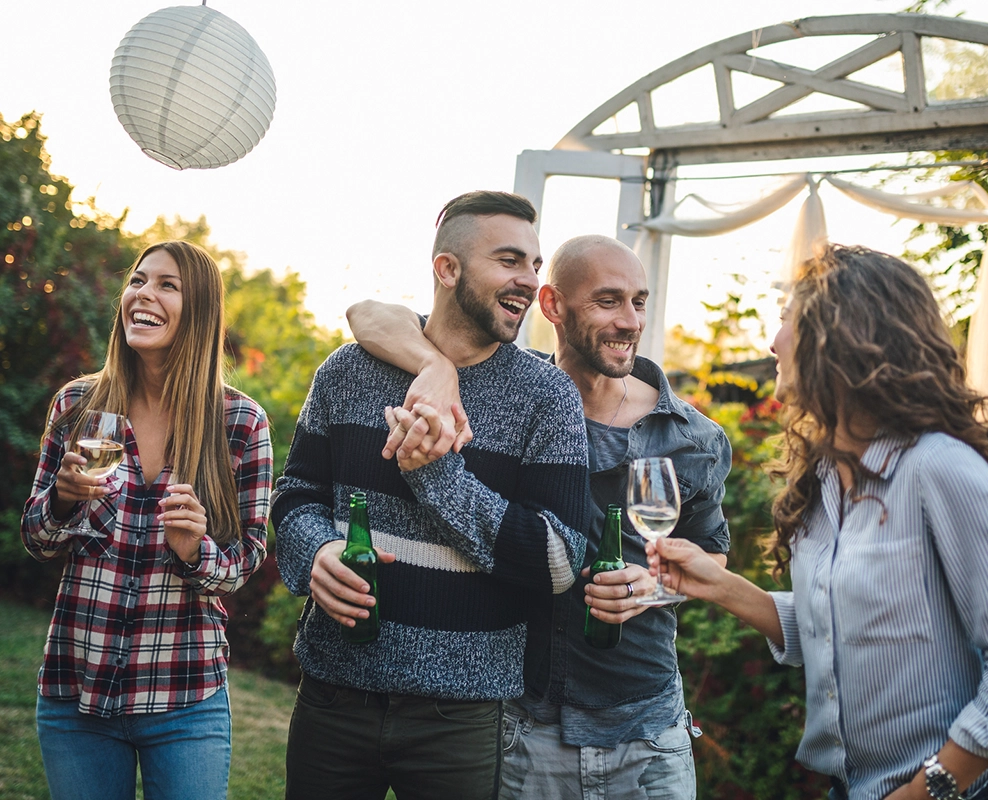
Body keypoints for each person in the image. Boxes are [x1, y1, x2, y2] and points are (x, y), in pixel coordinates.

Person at [648, 244, 988, 800]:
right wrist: (718, 585)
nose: (771, 343)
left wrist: (924, 791)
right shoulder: (826, 475)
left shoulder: (940, 469)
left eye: (785, 322)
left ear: (840, 334)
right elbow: (841, 624)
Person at [348, 233, 732, 800]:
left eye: (640, 301)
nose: (630, 321)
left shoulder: (693, 437)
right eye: (608, 301)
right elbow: (368, 315)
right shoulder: (504, 398)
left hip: (647, 733)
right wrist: (437, 366)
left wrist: (652, 587)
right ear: (551, 305)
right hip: (520, 727)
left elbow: (713, 557)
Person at [272, 190, 591, 800]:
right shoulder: (346, 371)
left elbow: (559, 559)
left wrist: (438, 475)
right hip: (334, 692)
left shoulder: (546, 397)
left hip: (462, 715)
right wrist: (316, 552)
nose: (529, 281)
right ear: (447, 269)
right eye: (509, 260)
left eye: (533, 263)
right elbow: (295, 496)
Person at [21, 240, 273, 800]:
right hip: (76, 692)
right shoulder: (77, 406)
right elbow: (36, 538)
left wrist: (195, 550)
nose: (143, 294)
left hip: (186, 701)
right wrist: (61, 502)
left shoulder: (240, 423)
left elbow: (246, 560)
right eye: (138, 280)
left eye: (167, 285)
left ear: (200, 309)